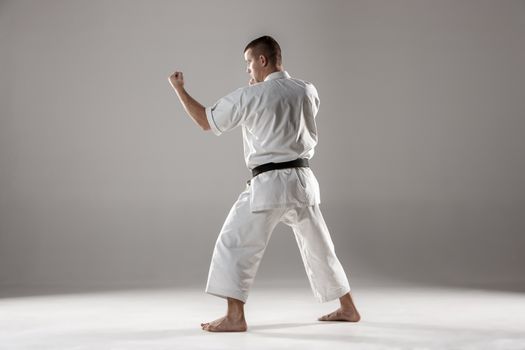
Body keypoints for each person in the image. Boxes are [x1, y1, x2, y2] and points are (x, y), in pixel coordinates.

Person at [168, 35, 361, 332]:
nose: (247, 70)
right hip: (303, 182)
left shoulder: (252, 96)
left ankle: (235, 316)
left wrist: (179, 89)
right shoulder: (307, 90)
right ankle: (348, 308)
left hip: (270, 184)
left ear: (262, 60)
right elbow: (294, 119)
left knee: (234, 243)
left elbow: (205, 121)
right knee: (320, 247)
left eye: (248, 63)